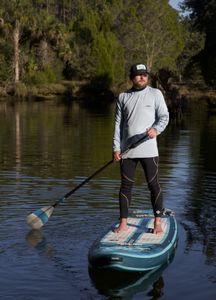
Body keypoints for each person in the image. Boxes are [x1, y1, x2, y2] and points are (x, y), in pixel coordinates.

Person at [113, 63, 169, 234]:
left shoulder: (155, 94)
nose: (142, 77)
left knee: (153, 185)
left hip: (149, 150)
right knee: (125, 187)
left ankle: (157, 222)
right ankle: (123, 223)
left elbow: (164, 117)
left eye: (144, 74)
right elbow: (118, 125)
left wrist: (156, 129)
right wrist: (116, 148)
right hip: (127, 151)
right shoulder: (123, 97)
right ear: (132, 77)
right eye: (138, 74)